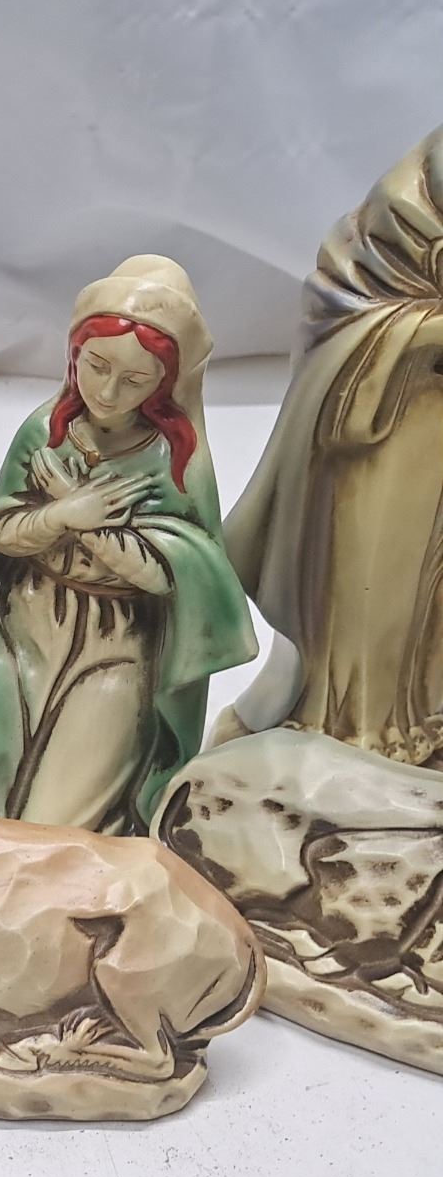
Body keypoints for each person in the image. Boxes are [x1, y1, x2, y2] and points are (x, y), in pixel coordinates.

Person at [0, 256, 256, 833]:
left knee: (55, 823)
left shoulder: (171, 459)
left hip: (115, 647)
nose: (108, 390)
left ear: (163, 383)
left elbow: (182, 570)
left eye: (135, 380)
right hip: (19, 626)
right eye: (96, 366)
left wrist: (90, 524)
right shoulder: (44, 429)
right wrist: (60, 515)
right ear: (75, 355)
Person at [222, 126, 443, 767]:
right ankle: (350, 724)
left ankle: (421, 718)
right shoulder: (381, 243)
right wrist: (427, 333)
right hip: (384, 442)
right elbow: (347, 322)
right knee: (374, 584)